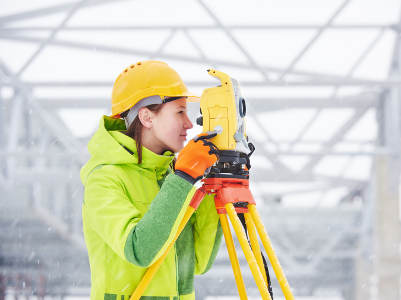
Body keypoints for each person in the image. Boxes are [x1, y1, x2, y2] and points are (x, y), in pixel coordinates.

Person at [80, 60, 223, 300]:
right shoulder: (104, 180)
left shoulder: (171, 177)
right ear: (147, 117)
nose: (189, 124)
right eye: (180, 112)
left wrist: (216, 184)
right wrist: (183, 177)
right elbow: (139, 250)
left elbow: (199, 262)